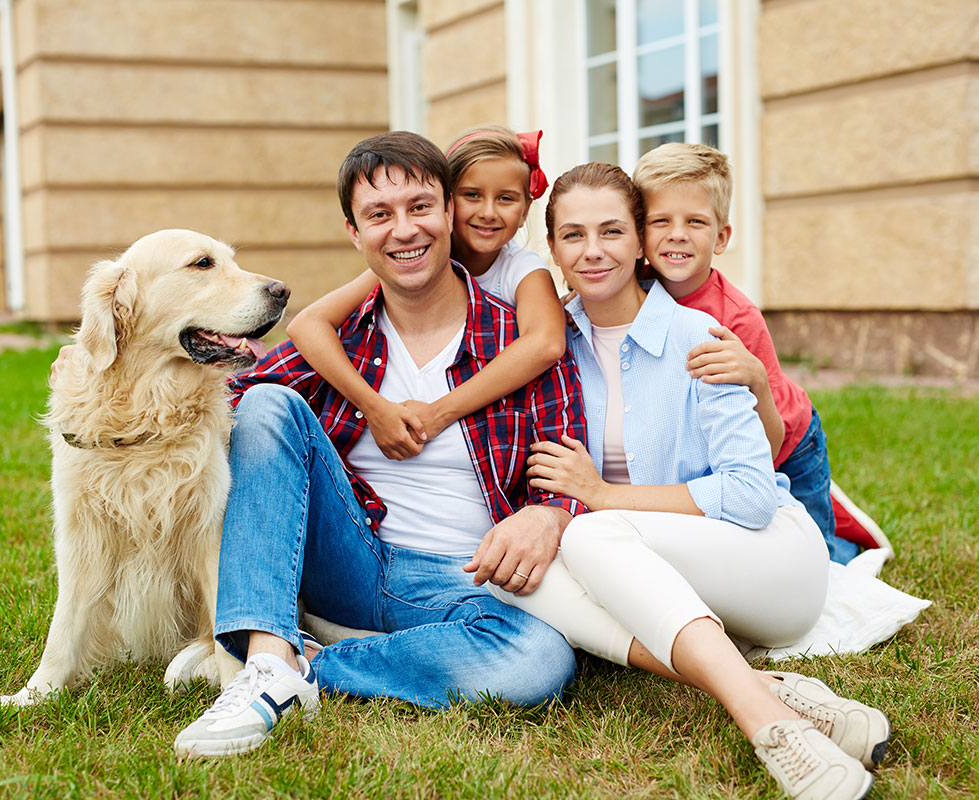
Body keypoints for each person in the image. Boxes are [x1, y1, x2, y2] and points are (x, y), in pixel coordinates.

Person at [172, 131, 587, 759]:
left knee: (539, 660)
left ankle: (308, 665)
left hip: (461, 581)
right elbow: (230, 402)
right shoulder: (347, 338)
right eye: (379, 215)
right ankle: (263, 665)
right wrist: (111, 366)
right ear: (354, 233)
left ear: (449, 212)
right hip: (349, 553)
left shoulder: (516, 336)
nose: (404, 230)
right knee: (264, 404)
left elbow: (567, 457)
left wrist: (549, 511)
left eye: (420, 207)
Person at [495, 162, 888, 800]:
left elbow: (750, 497)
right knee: (513, 573)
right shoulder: (547, 347)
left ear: (638, 241)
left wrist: (599, 497)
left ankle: (768, 727)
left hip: (770, 563)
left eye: (611, 232)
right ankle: (770, 692)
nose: (593, 251)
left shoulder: (701, 337)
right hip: (663, 567)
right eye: (573, 236)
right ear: (554, 252)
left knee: (589, 538)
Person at [633, 142, 886, 564]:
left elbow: (768, 444)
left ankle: (848, 542)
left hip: (789, 445)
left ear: (722, 236)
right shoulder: (635, 290)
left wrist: (753, 378)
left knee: (814, 560)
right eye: (661, 221)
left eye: (695, 221)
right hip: (722, 448)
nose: (677, 233)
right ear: (640, 232)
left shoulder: (737, 318)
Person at [286, 124, 565, 461]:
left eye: (506, 198)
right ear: (450, 204)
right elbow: (307, 325)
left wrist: (439, 413)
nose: (488, 212)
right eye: (472, 195)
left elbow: (546, 343)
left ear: (524, 212)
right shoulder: (412, 259)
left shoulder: (520, 268)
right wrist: (373, 406)